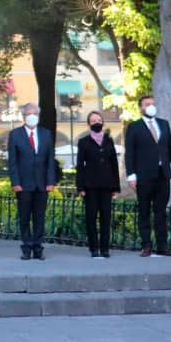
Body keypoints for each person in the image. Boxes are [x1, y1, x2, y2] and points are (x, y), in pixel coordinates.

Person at [124, 95, 171, 257]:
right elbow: (130, 154)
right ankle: (146, 245)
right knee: (144, 211)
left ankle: (162, 245)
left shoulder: (164, 124)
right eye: (148, 104)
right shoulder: (134, 127)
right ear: (141, 107)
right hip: (143, 176)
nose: (151, 106)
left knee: (161, 211)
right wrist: (131, 175)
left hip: (163, 175)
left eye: (153, 104)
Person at [7, 102, 56, 260]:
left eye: (35, 114)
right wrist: (15, 182)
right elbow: (12, 161)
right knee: (24, 217)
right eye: (29, 114)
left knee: (39, 217)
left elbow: (50, 160)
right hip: (23, 184)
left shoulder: (46, 134)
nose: (32, 116)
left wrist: (50, 181)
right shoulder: (15, 134)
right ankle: (26, 247)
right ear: (24, 116)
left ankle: (38, 247)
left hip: (42, 184)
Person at [75, 110, 120, 259]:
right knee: (91, 218)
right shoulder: (84, 142)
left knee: (106, 218)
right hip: (90, 186)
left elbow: (114, 163)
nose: (96, 123)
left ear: (103, 122)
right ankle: (94, 248)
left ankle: (105, 248)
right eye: (93, 121)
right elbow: (80, 165)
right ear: (89, 124)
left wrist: (116, 187)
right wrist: (80, 187)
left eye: (99, 120)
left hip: (107, 186)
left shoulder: (109, 140)